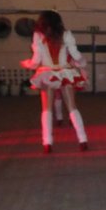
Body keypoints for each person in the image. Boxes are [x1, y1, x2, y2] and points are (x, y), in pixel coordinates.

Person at [21, 10, 88, 153]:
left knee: (46, 109)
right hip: (65, 72)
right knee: (72, 107)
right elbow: (76, 55)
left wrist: (28, 64)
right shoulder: (66, 34)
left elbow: (36, 60)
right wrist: (82, 63)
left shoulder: (39, 36)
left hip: (47, 73)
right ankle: (82, 139)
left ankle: (47, 142)